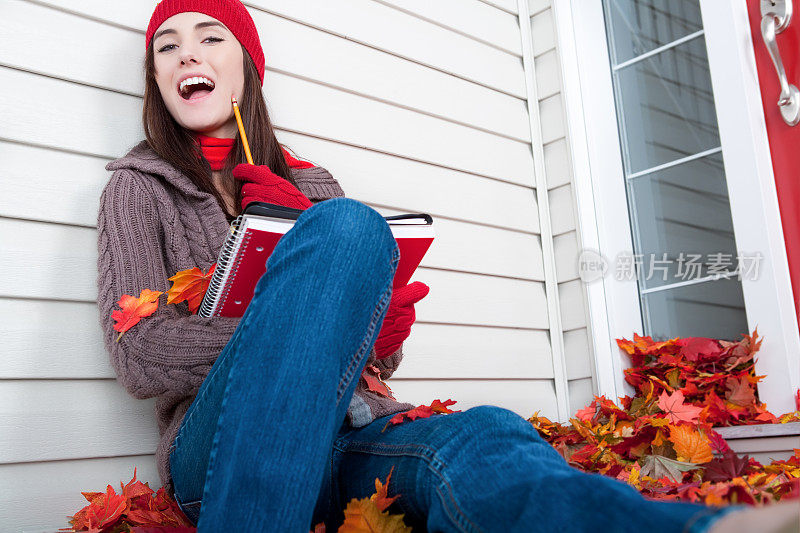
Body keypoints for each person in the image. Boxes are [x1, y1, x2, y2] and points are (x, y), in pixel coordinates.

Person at [95, 1, 799, 531]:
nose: (188, 54)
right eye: (167, 47)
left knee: (485, 434)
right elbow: (140, 356)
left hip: (353, 431)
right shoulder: (139, 187)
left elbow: (384, 357)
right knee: (346, 229)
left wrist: (374, 318)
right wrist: (297, 313)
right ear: (157, 77)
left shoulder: (313, 184)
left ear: (246, 63)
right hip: (220, 449)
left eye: (210, 37)